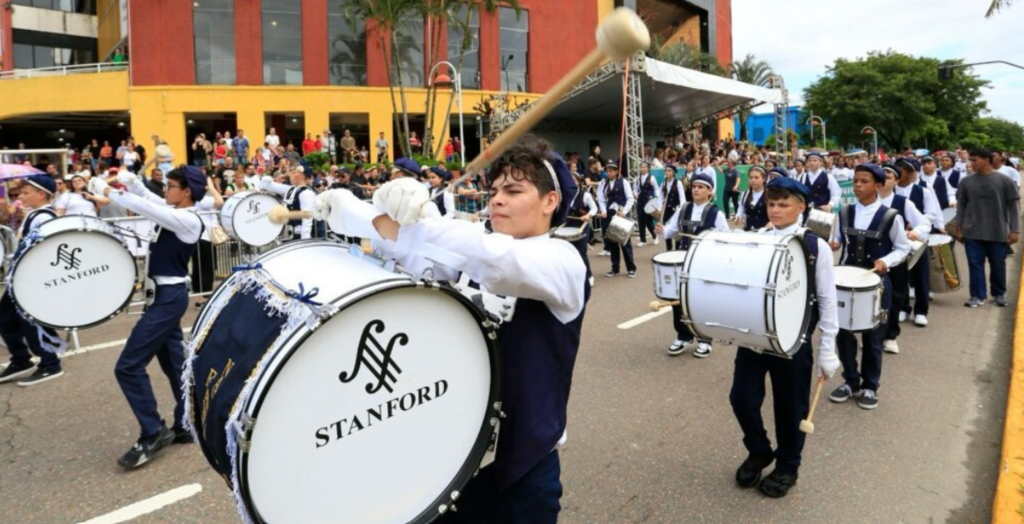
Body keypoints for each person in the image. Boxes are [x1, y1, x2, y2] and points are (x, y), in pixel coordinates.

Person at [313, 135, 587, 524]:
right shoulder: (474, 254)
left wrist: (365, 216)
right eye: (493, 190)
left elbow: (492, 258)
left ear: (550, 202)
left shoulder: (563, 262)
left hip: (523, 469)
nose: (496, 200)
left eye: (513, 190)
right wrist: (382, 210)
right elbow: (413, 255)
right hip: (454, 463)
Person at [92, 167, 212, 467]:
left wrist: (109, 191)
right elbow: (150, 198)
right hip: (162, 297)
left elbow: (144, 205)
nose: (165, 191)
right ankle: (186, 423)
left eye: (170, 186)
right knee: (175, 365)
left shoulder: (187, 218)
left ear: (186, 192)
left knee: (128, 367)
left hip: (168, 299)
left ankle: (153, 431)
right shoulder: (173, 209)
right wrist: (132, 180)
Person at [729, 176, 839, 499]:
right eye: (771, 204)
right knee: (741, 398)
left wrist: (827, 349)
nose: (775, 210)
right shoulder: (756, 239)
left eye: (783, 204)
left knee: (790, 407)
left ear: (801, 207)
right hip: (756, 336)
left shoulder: (815, 246)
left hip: (794, 341)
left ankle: (788, 464)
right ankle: (760, 450)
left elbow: (828, 301)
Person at [828, 164, 911, 410]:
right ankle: (850, 380)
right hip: (844, 282)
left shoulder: (891, 215)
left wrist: (886, 261)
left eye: (863, 181)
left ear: (878, 185)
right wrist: (832, 243)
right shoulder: (843, 212)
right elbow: (838, 240)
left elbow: (903, 248)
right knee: (843, 334)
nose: (857, 185)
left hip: (876, 284)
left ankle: (870, 386)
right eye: (855, 181)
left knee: (873, 337)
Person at [0, 175, 66, 386]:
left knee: (32, 323)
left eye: (26, 192)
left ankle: (50, 364)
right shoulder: (33, 215)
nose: (21, 196)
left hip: (30, 279)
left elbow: (40, 248)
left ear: (41, 194)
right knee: (5, 318)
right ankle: (20, 359)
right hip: (19, 278)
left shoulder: (43, 217)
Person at [655, 173, 728, 358]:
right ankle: (683, 335)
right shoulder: (684, 208)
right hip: (683, 259)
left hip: (704, 262)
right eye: (694, 186)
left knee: (700, 301)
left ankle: (705, 339)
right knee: (677, 299)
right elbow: (671, 231)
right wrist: (662, 231)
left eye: (701, 187)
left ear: (710, 191)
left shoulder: (715, 213)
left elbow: (726, 239)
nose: (696, 189)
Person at [948, 148, 1020, 308]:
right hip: (972, 231)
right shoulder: (966, 182)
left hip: (997, 230)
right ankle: (977, 295)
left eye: (974, 160)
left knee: (998, 264)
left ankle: (999, 294)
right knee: (975, 265)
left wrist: (1015, 230)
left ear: (986, 160)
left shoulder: (1004, 181)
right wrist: (958, 227)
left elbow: (1013, 207)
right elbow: (961, 206)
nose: (970, 163)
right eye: (970, 160)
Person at [876, 163, 930, 355]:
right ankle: (873, 336)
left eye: (888, 177)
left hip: (896, 257)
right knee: (872, 299)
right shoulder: (866, 201)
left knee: (895, 295)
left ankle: (890, 336)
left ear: (896, 181)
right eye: (880, 176)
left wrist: (915, 232)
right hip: (873, 257)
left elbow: (924, 224)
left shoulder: (902, 202)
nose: (883, 180)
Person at [894, 157, 942, 326]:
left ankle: (921, 310)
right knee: (900, 275)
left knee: (921, 275)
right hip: (897, 239)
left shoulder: (924, 191)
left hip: (918, 238)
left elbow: (932, 214)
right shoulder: (890, 191)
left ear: (910, 172)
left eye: (900, 170)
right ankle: (903, 308)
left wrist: (915, 228)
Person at [597, 162, 636, 278]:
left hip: (621, 214)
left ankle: (631, 268)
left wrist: (624, 211)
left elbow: (630, 198)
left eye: (611, 171)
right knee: (612, 241)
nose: (609, 173)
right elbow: (601, 199)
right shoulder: (603, 183)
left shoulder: (623, 182)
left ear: (616, 171)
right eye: (607, 171)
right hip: (609, 214)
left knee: (625, 242)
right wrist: (603, 211)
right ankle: (615, 268)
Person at [260, 165, 316, 240]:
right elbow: (265, 185)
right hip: (288, 234)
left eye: (294, 173)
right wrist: (274, 178)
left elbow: (307, 219)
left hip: (299, 235)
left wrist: (305, 240)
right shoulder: (290, 189)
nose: (290, 175)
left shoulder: (306, 193)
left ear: (303, 176)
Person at [633, 161, 661, 246]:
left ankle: (655, 236)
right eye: (641, 167)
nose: (643, 169)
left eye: (644, 167)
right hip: (640, 200)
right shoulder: (637, 179)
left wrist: (656, 198)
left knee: (648, 221)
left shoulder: (651, 178)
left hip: (649, 200)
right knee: (641, 220)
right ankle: (643, 240)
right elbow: (634, 189)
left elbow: (656, 189)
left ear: (648, 168)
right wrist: (635, 194)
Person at [660, 164, 686, 251]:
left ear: (673, 173)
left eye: (669, 171)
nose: (667, 172)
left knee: (676, 232)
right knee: (667, 230)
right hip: (666, 211)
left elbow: (682, 198)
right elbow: (660, 197)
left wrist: (681, 210)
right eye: (666, 170)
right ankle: (669, 249)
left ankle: (678, 249)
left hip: (676, 210)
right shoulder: (663, 183)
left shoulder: (678, 183)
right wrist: (660, 208)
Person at [735, 165, 768, 231]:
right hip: (748, 231)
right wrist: (738, 215)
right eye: (751, 177)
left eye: (756, 177)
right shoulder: (745, 194)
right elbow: (741, 207)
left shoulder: (769, 194)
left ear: (764, 179)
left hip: (765, 233)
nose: (753, 180)